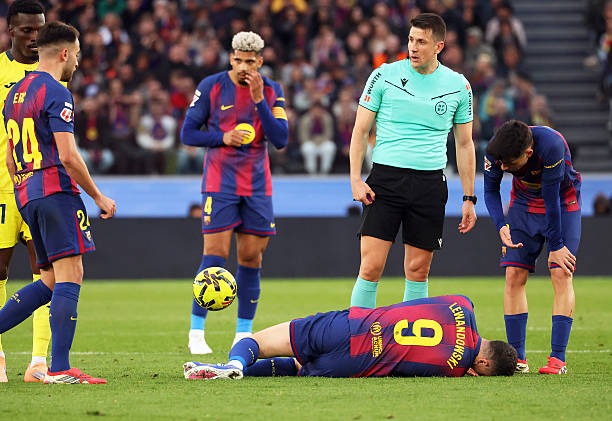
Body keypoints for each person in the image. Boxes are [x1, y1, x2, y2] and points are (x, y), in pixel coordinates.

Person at [1, 21, 116, 384]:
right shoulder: (56, 91)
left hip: (26, 193)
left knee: (50, 279)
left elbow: (10, 156)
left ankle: (58, 364)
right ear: (65, 53)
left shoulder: (15, 93)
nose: (78, 62)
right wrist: (97, 195)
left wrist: (25, 187)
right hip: (55, 191)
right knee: (71, 274)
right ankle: (61, 367)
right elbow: (67, 155)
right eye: (77, 55)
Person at [349, 13, 477, 308]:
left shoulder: (459, 86)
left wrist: (469, 197)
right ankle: (357, 333)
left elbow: (465, 144)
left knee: (418, 271)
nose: (413, 47)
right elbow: (360, 131)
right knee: (370, 267)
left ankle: (410, 335)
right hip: (385, 181)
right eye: (410, 39)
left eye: (421, 42)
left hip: (429, 183)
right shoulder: (384, 75)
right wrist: (356, 178)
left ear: (439, 46)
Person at [180, 31, 288, 354]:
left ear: (260, 62)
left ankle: (243, 333)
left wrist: (259, 101)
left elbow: (281, 138)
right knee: (214, 257)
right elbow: (188, 133)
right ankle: (196, 331)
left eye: (249, 62)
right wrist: (222, 137)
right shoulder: (211, 86)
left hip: (256, 185)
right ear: (230, 58)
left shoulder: (272, 90)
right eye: (238, 60)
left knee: (251, 257)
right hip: (220, 182)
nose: (243, 67)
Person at [183, 294, 518, 379]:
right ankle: (230, 371)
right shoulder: (455, 369)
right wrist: (465, 367)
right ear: (484, 365)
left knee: (260, 341)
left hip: (354, 325)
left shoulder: (463, 304)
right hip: (355, 362)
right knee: (298, 368)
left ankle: (234, 364)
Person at [483, 120, 581, 375]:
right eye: (500, 162)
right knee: (514, 274)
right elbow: (490, 190)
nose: (503, 168)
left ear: (528, 153)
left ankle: (558, 359)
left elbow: (551, 198)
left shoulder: (552, 146)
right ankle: (518, 359)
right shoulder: (497, 150)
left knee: (561, 272)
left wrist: (556, 246)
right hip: (523, 205)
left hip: (562, 203)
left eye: (509, 163)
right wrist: (501, 225)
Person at [0, 0, 50, 383]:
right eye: (27, 30)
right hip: (2, 187)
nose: (35, 37)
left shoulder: (53, 72)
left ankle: (38, 362)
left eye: (40, 30)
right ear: (10, 31)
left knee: (45, 271)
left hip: (40, 186)